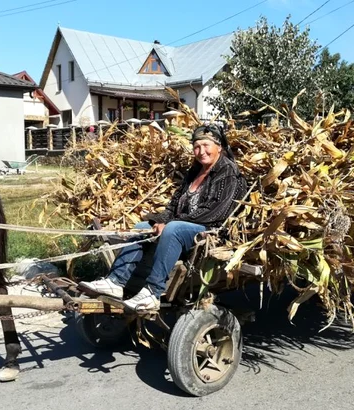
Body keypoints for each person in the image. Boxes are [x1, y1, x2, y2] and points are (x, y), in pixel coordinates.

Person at [80, 123, 247, 311]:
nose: (201, 151)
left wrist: (170, 223)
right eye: (197, 146)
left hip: (211, 231)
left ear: (219, 147)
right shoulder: (194, 172)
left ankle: (153, 291)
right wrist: (160, 220)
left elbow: (215, 211)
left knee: (173, 229)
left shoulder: (228, 171)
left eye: (206, 145)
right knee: (143, 227)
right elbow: (174, 205)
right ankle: (116, 281)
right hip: (187, 227)